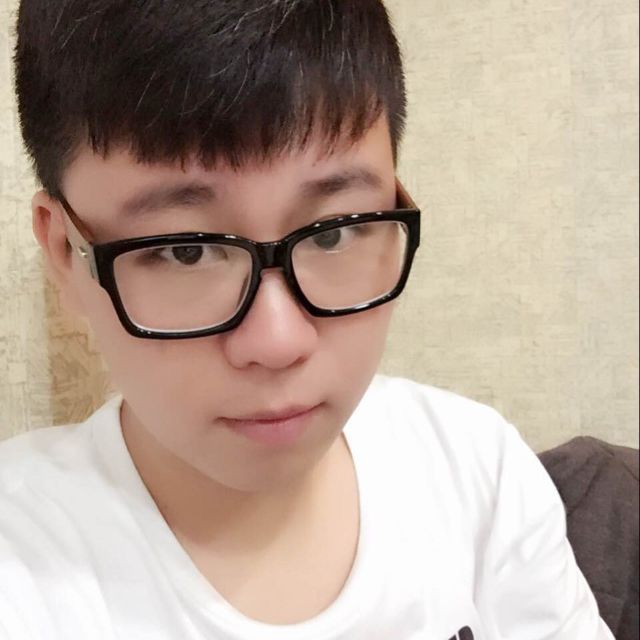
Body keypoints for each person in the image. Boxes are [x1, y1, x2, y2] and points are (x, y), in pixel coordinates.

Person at [1, 1, 614, 638]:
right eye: (186, 250)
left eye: (333, 232)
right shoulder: (22, 567)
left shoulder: (477, 475)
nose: (278, 340)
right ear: (65, 254)